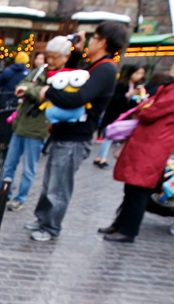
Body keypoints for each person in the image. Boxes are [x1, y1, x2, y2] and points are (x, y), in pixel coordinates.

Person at [25, 22, 127, 242]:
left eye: (94, 38)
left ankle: (51, 227)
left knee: (58, 186)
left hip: (75, 137)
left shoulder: (106, 69)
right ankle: (43, 219)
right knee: (50, 182)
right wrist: (76, 54)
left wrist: (47, 92)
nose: (90, 41)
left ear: (103, 42)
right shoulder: (95, 66)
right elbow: (69, 79)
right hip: (65, 133)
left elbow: (78, 97)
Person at [98, 46, 174, 243]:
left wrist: (143, 108)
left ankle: (128, 230)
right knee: (132, 186)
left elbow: (151, 112)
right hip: (148, 139)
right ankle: (120, 224)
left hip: (155, 142)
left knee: (139, 188)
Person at [0, 36, 72, 212]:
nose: (51, 61)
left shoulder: (65, 77)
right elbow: (23, 84)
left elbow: (47, 94)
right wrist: (31, 90)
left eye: (55, 57)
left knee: (28, 168)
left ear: (66, 57)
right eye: (49, 56)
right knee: (9, 163)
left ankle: (20, 198)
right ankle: (4, 194)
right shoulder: (40, 70)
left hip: (38, 128)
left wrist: (31, 90)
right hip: (21, 123)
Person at [93, 65, 147, 169]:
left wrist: (140, 98)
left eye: (141, 74)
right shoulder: (122, 85)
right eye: (137, 73)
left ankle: (102, 157)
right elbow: (114, 99)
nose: (139, 76)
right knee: (108, 136)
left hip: (125, 115)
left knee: (112, 136)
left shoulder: (138, 87)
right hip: (114, 113)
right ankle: (101, 157)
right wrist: (129, 94)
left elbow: (133, 104)